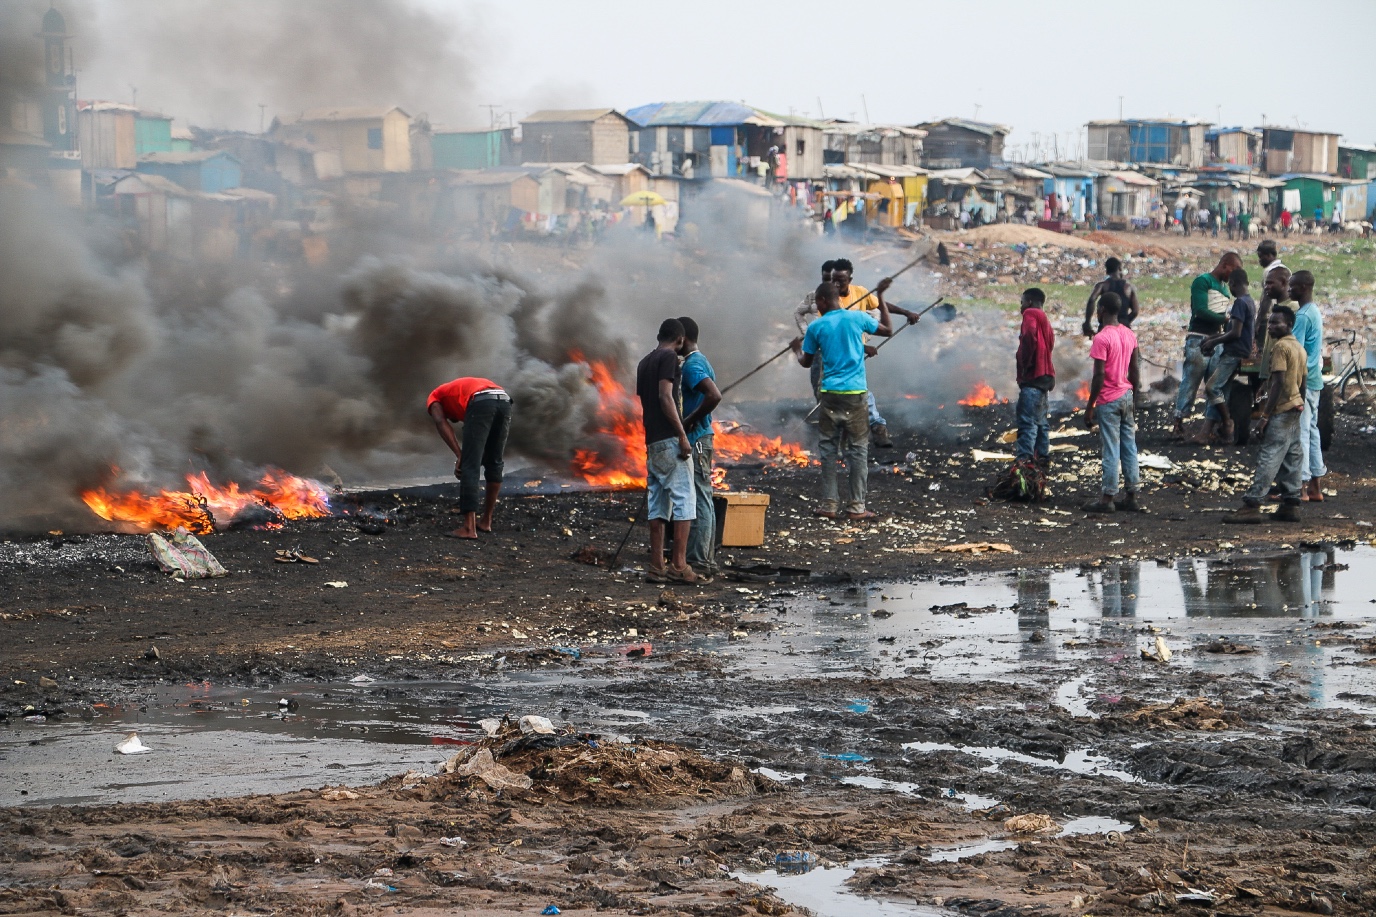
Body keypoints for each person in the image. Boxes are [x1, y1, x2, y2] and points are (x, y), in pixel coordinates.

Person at [789, 280, 893, 520]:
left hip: (830, 395)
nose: (816, 307)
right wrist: (881, 297)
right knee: (858, 450)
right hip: (856, 394)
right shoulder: (856, 319)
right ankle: (856, 507)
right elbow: (887, 329)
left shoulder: (817, 327)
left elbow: (806, 362)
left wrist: (796, 348)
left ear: (824, 301)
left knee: (828, 449)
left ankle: (829, 505)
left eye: (817, 302)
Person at [1224, 305, 1305, 524]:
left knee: (1270, 455)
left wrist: (1265, 417)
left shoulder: (1279, 348)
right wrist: (1299, 402)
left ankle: (1252, 504)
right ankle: (1291, 505)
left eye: (1276, 322)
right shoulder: (1298, 347)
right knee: (1292, 456)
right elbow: (1300, 380)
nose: (1270, 326)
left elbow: (1279, 381)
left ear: (1289, 325)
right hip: (1294, 407)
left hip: (1281, 409)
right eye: (1269, 322)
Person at [830, 258, 919, 448]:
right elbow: (833, 337)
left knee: (857, 391)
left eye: (841, 280)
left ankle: (872, 428)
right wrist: (863, 348)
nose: (836, 284)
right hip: (837, 354)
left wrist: (906, 313)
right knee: (850, 393)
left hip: (855, 354)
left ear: (850, 279)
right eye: (833, 280)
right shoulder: (829, 301)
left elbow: (880, 305)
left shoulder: (860, 293)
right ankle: (874, 427)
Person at [636, 319, 698, 584]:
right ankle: (679, 566)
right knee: (685, 500)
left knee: (658, 502)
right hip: (669, 439)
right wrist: (682, 435)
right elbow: (665, 397)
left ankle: (656, 566)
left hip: (652, 441)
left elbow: (647, 402)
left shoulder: (644, 362)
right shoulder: (669, 358)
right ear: (681, 340)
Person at [427, 377, 513, 539]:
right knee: (494, 462)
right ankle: (486, 521)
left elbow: (439, 421)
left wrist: (460, 455)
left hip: (481, 400)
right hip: (503, 399)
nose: (456, 420)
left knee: (469, 465)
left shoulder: (435, 397)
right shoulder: (459, 391)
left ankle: (468, 528)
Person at [1083, 293, 1142, 513]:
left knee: (1111, 449)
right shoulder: (1129, 334)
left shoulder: (1101, 338)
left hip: (1108, 399)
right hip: (1126, 395)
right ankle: (1132, 495)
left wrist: (1090, 406)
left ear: (1102, 310)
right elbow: (1134, 370)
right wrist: (1133, 396)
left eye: (1098, 309)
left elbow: (1098, 376)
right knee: (1129, 447)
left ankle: (1107, 498)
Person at [1173, 252, 1242, 437]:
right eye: (1233, 270)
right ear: (1225, 264)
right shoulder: (1203, 281)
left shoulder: (1225, 289)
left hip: (1217, 340)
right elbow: (1200, 311)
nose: (1233, 276)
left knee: (1214, 385)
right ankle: (1178, 422)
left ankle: (1208, 428)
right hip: (1199, 337)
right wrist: (1226, 319)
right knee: (1191, 380)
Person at [677, 316, 722, 581]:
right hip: (700, 437)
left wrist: (688, 420)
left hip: (697, 439)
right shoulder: (698, 360)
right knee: (703, 495)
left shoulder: (693, 364)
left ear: (683, 338)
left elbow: (714, 395)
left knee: (700, 497)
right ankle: (705, 557)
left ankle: (700, 560)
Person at [1196, 268, 1256, 444]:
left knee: (1212, 388)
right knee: (1223, 391)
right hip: (1240, 350)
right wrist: (1212, 338)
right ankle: (1220, 432)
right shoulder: (1250, 301)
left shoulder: (1239, 303)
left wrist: (1214, 342)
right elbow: (1235, 331)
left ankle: (1227, 422)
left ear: (1233, 284)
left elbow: (1235, 333)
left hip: (1233, 352)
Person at [1289, 270, 1327, 501]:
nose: (1289, 290)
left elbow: (1297, 354)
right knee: (1312, 431)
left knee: (1301, 431)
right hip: (1315, 380)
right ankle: (1316, 486)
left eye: (1292, 286)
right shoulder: (1314, 311)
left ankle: (1301, 486)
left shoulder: (1302, 316)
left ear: (1303, 287)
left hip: (1303, 381)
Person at [1014, 288, 1055, 468]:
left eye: (1022, 302)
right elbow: (1051, 342)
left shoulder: (1030, 314)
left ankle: (1025, 460)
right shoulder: (1044, 318)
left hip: (1033, 376)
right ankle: (1042, 458)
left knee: (1027, 423)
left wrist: (1026, 362)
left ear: (1029, 302)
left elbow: (1029, 335)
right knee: (1041, 422)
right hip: (1045, 377)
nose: (1021, 307)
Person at [1082, 257, 1139, 336]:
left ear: (1107, 271)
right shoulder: (1129, 287)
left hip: (1105, 328)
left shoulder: (1102, 285)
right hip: (1124, 330)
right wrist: (1124, 321)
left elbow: (1092, 300)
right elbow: (1135, 311)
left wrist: (1087, 322)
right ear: (1119, 268)